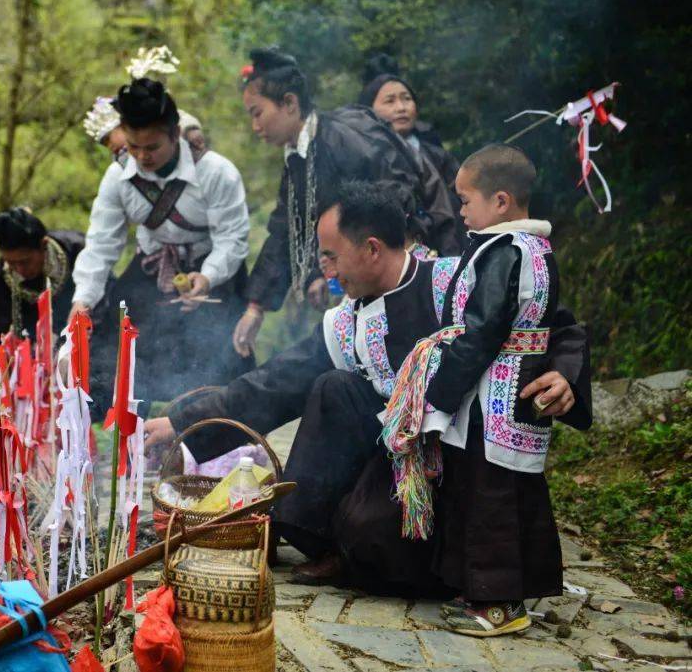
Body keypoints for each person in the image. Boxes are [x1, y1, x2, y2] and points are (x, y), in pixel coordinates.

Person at [143, 180, 590, 588]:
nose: (329, 273)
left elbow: (553, 323)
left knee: (372, 536)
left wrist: (563, 372)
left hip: (450, 460)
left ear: (372, 249)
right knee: (333, 387)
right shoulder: (346, 322)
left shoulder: (456, 280)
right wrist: (182, 424)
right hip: (386, 456)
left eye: (332, 257)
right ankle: (329, 539)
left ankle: (394, 555)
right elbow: (272, 384)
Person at [403, 144, 586, 636]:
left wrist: (438, 395)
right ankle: (483, 591)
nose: (460, 210)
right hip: (512, 393)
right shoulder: (535, 248)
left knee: (491, 496)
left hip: (495, 397)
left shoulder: (505, 252)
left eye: (465, 200)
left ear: (500, 201)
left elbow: (481, 330)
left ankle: (499, 604)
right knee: (504, 489)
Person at [232, 48, 458, 360]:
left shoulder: (345, 136)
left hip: (401, 276)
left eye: (257, 113)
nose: (255, 126)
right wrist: (256, 307)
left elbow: (397, 196)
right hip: (362, 281)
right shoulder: (296, 158)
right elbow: (286, 230)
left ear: (289, 103)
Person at [70, 78, 253, 404]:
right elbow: (101, 244)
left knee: (218, 353)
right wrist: (83, 300)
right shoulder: (118, 178)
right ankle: (132, 432)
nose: (142, 156)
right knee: (124, 341)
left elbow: (232, 239)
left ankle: (219, 436)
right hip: (154, 263)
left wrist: (208, 276)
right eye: (133, 146)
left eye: (152, 147)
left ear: (175, 134)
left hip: (213, 268)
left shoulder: (217, 173)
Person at [359, 69, 465, 248]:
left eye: (406, 98)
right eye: (389, 101)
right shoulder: (365, 159)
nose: (401, 107)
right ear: (370, 110)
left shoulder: (437, 155)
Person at [0, 208, 97, 349]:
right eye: (12, 263)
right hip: (33, 353)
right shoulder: (0, 277)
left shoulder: (79, 251)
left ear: (43, 245)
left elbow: (105, 300)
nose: (19, 270)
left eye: (25, 261)